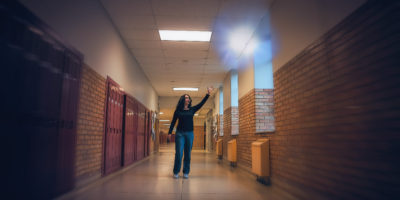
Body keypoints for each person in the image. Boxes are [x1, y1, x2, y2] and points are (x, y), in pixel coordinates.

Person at [168, 87, 213, 179]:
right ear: (182, 100)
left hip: (189, 134)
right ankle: (176, 171)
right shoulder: (178, 111)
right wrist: (169, 133)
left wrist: (208, 94)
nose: (187, 99)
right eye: (185, 97)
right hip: (179, 133)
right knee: (179, 153)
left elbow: (201, 104)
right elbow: (173, 122)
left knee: (188, 153)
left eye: (188, 97)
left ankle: (186, 172)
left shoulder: (192, 109)